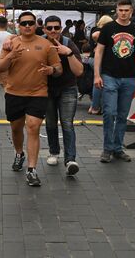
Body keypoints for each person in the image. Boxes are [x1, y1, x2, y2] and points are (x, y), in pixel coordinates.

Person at [0, 12, 62, 186]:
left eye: (31, 23)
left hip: (38, 94)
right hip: (14, 93)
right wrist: (10, 56)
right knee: (16, 128)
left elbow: (58, 68)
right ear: (18, 25)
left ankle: (32, 170)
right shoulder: (11, 43)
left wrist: (52, 70)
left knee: (33, 128)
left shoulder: (46, 44)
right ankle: (19, 153)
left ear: (36, 25)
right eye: (24, 23)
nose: (27, 26)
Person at [94, 0, 135, 163]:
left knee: (122, 115)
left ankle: (117, 148)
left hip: (128, 78)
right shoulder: (108, 28)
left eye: (126, 10)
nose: (123, 13)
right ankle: (107, 148)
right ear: (116, 10)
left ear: (131, 11)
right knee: (109, 112)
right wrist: (97, 75)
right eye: (121, 10)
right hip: (109, 76)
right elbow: (99, 52)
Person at [42, 15, 83, 176]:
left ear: (61, 28)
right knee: (51, 123)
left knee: (67, 123)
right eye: (50, 27)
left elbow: (79, 71)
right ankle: (53, 151)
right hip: (47, 88)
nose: (53, 31)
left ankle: (70, 159)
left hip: (67, 88)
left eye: (56, 28)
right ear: (44, 29)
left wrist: (69, 54)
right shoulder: (40, 43)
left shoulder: (68, 43)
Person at [88, 15, 113, 115]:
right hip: (97, 59)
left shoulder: (97, 29)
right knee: (99, 83)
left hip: (93, 59)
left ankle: (94, 106)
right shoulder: (99, 30)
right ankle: (95, 107)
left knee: (99, 83)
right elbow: (95, 35)